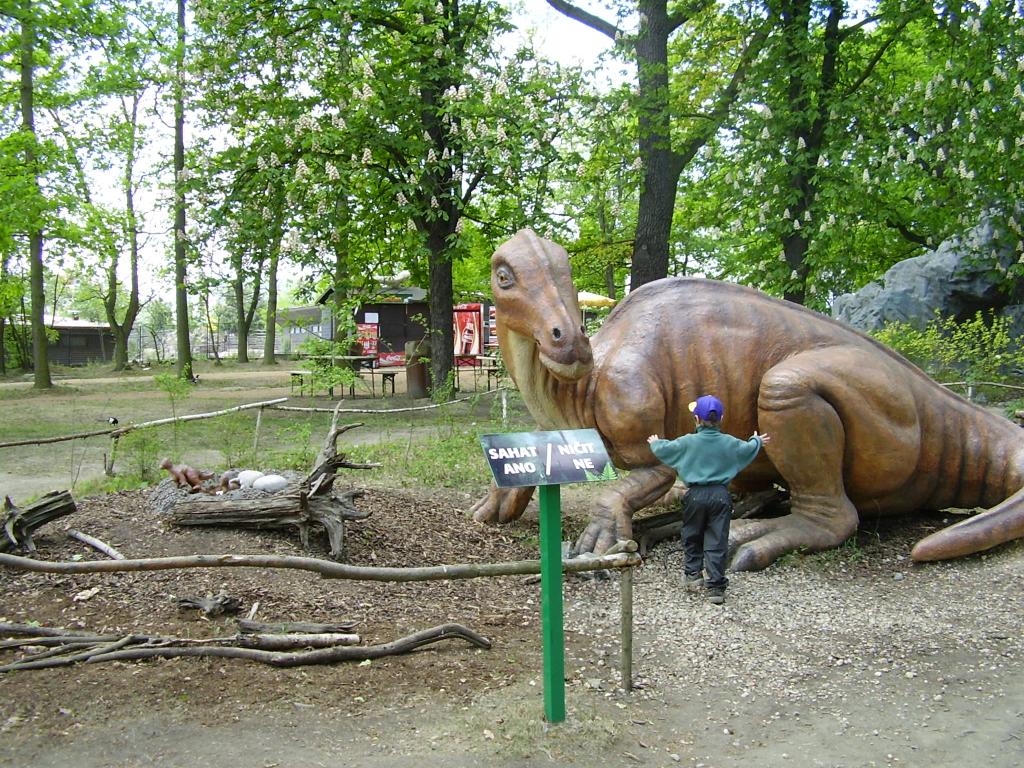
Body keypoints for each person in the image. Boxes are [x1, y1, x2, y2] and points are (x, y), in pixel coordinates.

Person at [646, 395, 770, 605]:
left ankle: (692, 575)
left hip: (695, 496)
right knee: (717, 539)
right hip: (720, 496)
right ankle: (716, 587)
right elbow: (747, 449)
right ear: (721, 418)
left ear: (696, 419)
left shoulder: (687, 442)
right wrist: (757, 441)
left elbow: (665, 449)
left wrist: (655, 442)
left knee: (692, 534)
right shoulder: (729, 442)